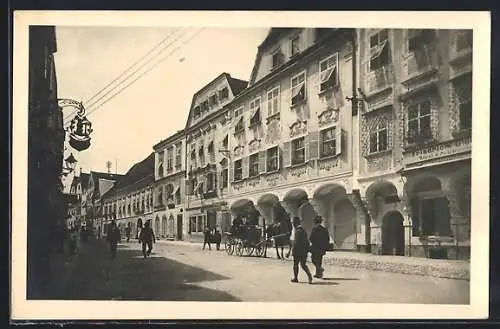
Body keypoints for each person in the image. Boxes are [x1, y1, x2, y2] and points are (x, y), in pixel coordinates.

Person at [290, 217, 313, 284]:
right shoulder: (303, 230)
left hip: (297, 250)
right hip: (303, 251)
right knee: (303, 265)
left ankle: (296, 278)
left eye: (293, 222)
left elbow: (296, 242)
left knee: (296, 264)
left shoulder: (298, 231)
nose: (293, 224)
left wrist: (293, 250)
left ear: (296, 222)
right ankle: (309, 276)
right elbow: (306, 242)